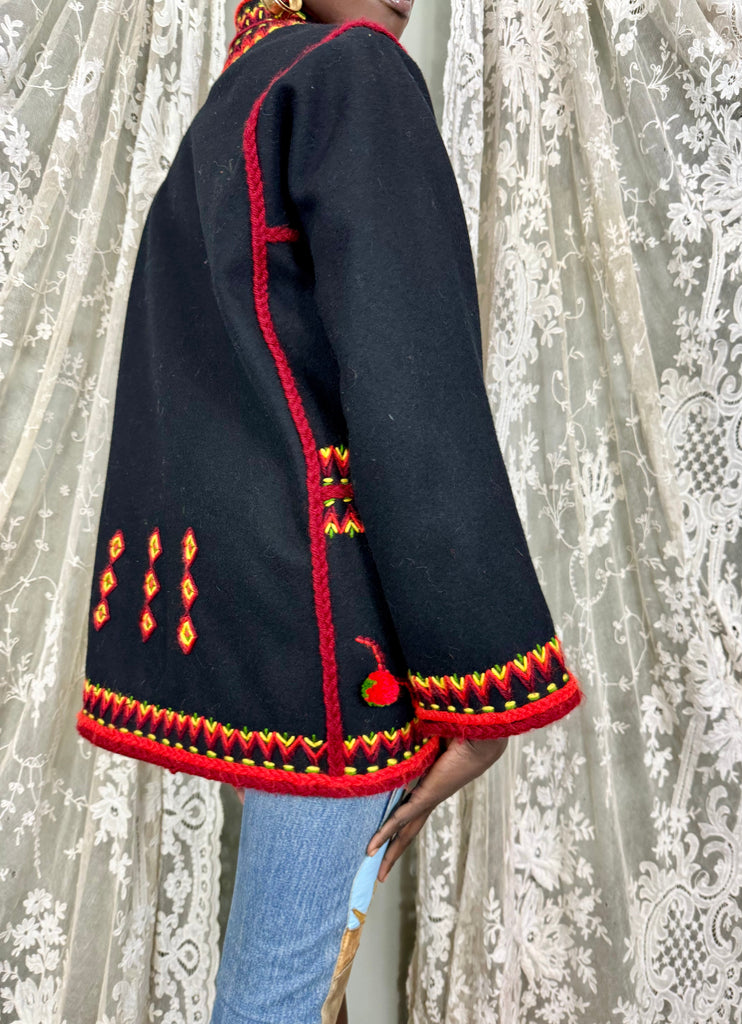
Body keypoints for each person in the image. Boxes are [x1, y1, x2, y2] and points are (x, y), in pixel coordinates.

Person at [75, 0, 585, 1020]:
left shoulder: (239, 98)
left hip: (246, 644)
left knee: (289, 989)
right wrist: (485, 685)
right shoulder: (356, 74)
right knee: (277, 1000)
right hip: (334, 659)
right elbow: (417, 399)